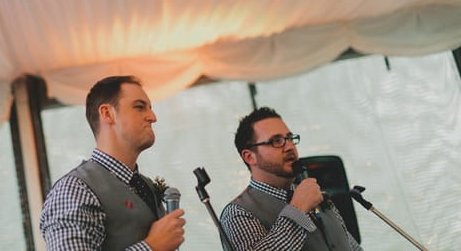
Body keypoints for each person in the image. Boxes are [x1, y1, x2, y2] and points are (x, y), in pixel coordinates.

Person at [40, 75, 185, 251]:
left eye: (150, 108)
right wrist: (151, 247)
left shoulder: (145, 185)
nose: (153, 117)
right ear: (107, 114)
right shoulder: (74, 189)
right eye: (140, 107)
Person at [220, 107, 363, 251]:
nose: (289, 146)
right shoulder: (238, 213)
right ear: (250, 156)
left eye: (290, 138)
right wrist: (298, 210)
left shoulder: (317, 195)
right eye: (276, 141)